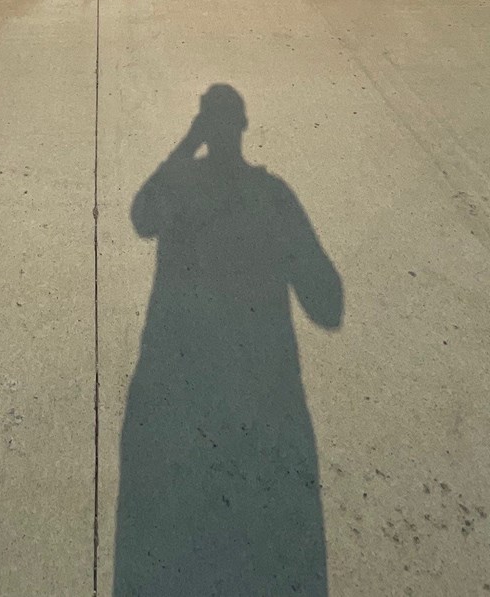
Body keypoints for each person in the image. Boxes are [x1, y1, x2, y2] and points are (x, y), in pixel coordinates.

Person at [114, 84, 344, 597]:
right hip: (264, 407)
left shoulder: (180, 186)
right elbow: (328, 305)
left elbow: (141, 216)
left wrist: (183, 146)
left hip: (179, 402)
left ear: (204, 128)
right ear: (243, 127)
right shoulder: (274, 198)